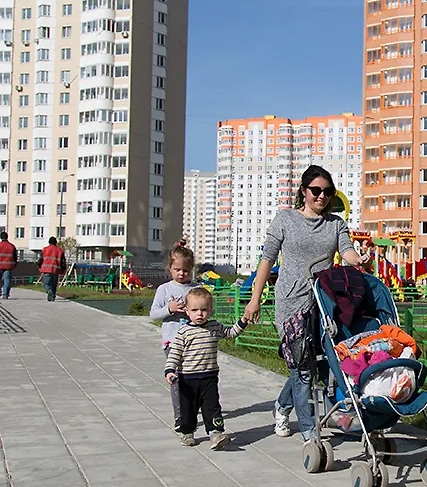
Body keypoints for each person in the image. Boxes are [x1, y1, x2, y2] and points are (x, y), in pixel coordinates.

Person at [243, 165, 368, 442]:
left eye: (327, 192)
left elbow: (346, 250)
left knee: (313, 364)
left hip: (324, 304)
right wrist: (254, 301)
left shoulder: (335, 224)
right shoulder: (284, 220)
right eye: (315, 191)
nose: (321, 196)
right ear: (304, 191)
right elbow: (266, 261)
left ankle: (282, 406)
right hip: (290, 302)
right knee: (301, 365)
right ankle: (311, 433)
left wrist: (357, 259)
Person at [164, 287, 249, 449]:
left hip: (209, 377)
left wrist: (243, 321)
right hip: (187, 379)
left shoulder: (215, 327)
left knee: (212, 406)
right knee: (188, 408)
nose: (199, 314)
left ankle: (216, 433)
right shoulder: (184, 332)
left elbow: (230, 333)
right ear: (187, 311)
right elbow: (175, 354)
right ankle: (187, 432)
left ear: (211, 310)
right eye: (195, 310)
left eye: (204, 309)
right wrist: (169, 370)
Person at [150, 239, 200, 433]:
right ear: (170, 268)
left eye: (185, 270)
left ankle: (191, 409)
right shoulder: (164, 290)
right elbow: (153, 314)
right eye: (177, 269)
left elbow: (206, 312)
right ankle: (180, 416)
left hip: (193, 342)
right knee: (176, 379)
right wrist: (169, 309)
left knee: (192, 379)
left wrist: (193, 312)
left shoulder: (196, 290)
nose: (181, 274)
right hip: (172, 342)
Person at [37, 236, 66, 302]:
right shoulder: (60, 251)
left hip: (46, 269)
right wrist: (63, 269)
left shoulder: (45, 249)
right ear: (56, 242)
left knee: (46, 283)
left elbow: (40, 259)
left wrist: (39, 266)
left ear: (49, 242)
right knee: (54, 284)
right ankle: (53, 297)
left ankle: (48, 291)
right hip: (56, 270)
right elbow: (63, 262)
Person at [0, 232, 17, 300]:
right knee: (7, 280)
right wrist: (15, 264)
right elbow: (15, 257)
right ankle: (5, 294)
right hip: (8, 266)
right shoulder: (11, 246)